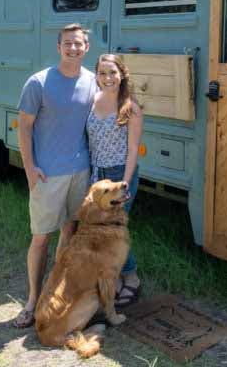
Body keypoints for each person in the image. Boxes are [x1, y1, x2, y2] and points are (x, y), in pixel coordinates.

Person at [12, 23, 97, 328]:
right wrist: (30, 168)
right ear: (58, 47)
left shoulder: (92, 82)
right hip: (47, 175)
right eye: (67, 43)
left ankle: (55, 295)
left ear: (86, 47)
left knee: (69, 234)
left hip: (80, 171)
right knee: (40, 238)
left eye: (78, 43)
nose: (73, 48)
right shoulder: (39, 82)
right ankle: (32, 301)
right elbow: (24, 127)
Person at [86, 53, 144, 307]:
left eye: (112, 72)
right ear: (96, 76)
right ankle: (114, 277)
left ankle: (131, 277)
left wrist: (126, 182)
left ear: (122, 74)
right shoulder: (92, 100)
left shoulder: (131, 108)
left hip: (120, 174)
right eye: (102, 73)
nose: (107, 78)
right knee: (101, 230)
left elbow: (133, 149)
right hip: (96, 175)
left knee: (114, 231)